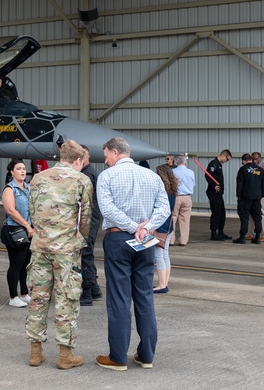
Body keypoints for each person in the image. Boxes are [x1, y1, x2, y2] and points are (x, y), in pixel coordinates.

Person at [95, 137, 171, 371]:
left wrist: (131, 227)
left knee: (119, 298)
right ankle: (146, 355)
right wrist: (145, 229)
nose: (105, 159)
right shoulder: (152, 176)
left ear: (116, 152)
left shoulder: (107, 176)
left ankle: (118, 357)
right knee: (145, 296)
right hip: (145, 241)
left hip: (119, 238)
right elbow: (164, 210)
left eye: (106, 154)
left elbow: (107, 209)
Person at [24, 140, 92, 369]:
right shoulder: (81, 180)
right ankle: (65, 354)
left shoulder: (38, 177)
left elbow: (32, 211)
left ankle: (35, 351)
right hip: (67, 250)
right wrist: (80, 239)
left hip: (40, 246)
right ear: (78, 160)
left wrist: (43, 233)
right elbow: (86, 217)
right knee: (67, 300)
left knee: (38, 298)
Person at [1, 158, 33, 307]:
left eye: (23, 168)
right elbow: (10, 210)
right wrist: (27, 225)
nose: (22, 171)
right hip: (14, 230)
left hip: (28, 230)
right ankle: (13, 296)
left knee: (25, 263)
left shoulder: (28, 188)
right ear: (12, 172)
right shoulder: (10, 189)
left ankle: (24, 293)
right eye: (19, 168)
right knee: (16, 263)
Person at [79, 148, 104, 307]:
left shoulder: (87, 175)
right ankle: (95, 289)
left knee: (85, 255)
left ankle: (87, 292)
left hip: (89, 221)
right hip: (92, 219)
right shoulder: (90, 172)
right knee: (87, 253)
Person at [153, 165, 177, 294]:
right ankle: (164, 282)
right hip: (169, 225)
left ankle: (162, 284)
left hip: (161, 225)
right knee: (165, 254)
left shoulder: (163, 191)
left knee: (158, 255)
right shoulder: (172, 190)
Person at [234, 153, 264, 244]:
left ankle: (242, 237)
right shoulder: (260, 170)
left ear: (244, 161)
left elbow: (239, 183)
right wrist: (262, 195)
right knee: (257, 216)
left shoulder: (243, 169)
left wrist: (239, 196)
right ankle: (257, 237)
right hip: (257, 197)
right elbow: (263, 184)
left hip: (245, 197)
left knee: (244, 217)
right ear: (251, 160)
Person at [169, 154, 196, 246]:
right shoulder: (191, 172)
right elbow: (193, 184)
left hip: (176, 196)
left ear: (176, 162)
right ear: (185, 162)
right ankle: (183, 240)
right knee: (185, 220)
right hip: (187, 196)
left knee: (173, 218)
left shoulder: (172, 171)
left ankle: (171, 240)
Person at [206, 150, 232, 241]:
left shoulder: (219, 164)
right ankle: (214, 233)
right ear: (224, 156)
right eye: (227, 159)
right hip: (214, 193)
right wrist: (214, 185)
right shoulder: (214, 164)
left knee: (222, 212)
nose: (227, 161)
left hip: (219, 193)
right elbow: (208, 175)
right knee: (216, 212)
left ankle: (221, 231)